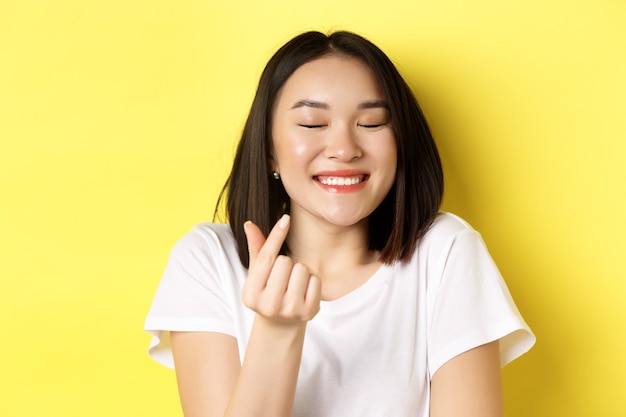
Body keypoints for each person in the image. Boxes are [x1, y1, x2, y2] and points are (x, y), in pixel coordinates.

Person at [144, 30, 535, 417]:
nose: (345, 149)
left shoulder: (445, 252)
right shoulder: (207, 260)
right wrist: (277, 332)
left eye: (372, 122)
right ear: (268, 152)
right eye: (313, 124)